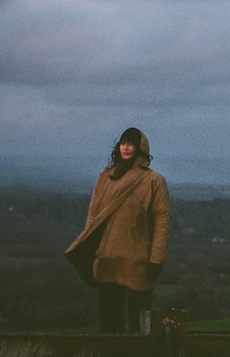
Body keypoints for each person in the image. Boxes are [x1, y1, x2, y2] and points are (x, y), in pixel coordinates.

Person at [65, 127, 171, 333]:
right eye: (123, 143)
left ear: (141, 148)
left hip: (139, 260)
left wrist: (157, 260)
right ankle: (112, 354)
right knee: (109, 323)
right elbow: (93, 218)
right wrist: (91, 249)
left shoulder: (154, 181)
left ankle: (138, 355)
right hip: (108, 257)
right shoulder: (105, 177)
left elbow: (162, 223)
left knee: (140, 325)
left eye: (131, 144)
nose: (126, 147)